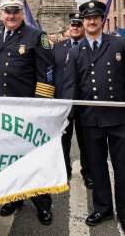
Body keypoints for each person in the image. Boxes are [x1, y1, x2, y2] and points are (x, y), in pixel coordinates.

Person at [0, 0, 55, 225]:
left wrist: (40, 106)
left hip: (26, 110)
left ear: (21, 13)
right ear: (1, 13)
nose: (12, 15)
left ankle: (43, 204)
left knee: (33, 160)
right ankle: (13, 197)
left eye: (16, 11)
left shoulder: (37, 36)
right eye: (7, 11)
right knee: (6, 159)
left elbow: (47, 73)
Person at [62, 1, 125, 232]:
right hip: (91, 119)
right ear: (83, 20)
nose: (91, 21)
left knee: (123, 167)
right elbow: (71, 87)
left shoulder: (119, 43)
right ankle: (103, 208)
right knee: (97, 167)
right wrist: (66, 117)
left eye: (96, 17)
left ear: (102, 20)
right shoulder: (74, 51)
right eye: (87, 18)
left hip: (119, 117)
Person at [53, 13, 92, 188]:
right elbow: (51, 73)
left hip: (84, 102)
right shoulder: (58, 47)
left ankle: (88, 172)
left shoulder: (89, 46)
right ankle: (64, 171)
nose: (75, 28)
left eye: (78, 25)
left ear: (83, 27)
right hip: (63, 101)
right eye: (72, 25)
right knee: (63, 140)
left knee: (86, 141)